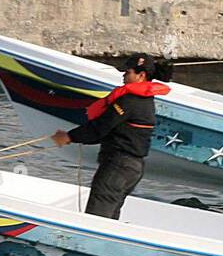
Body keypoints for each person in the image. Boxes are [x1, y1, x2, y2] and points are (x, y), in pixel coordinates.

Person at [52, 54, 173, 219]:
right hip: (131, 168)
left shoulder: (130, 101)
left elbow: (100, 128)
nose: (123, 75)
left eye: (128, 72)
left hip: (119, 166)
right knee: (110, 216)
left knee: (98, 217)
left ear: (141, 75)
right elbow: (105, 132)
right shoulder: (144, 101)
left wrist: (69, 136)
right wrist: (76, 137)